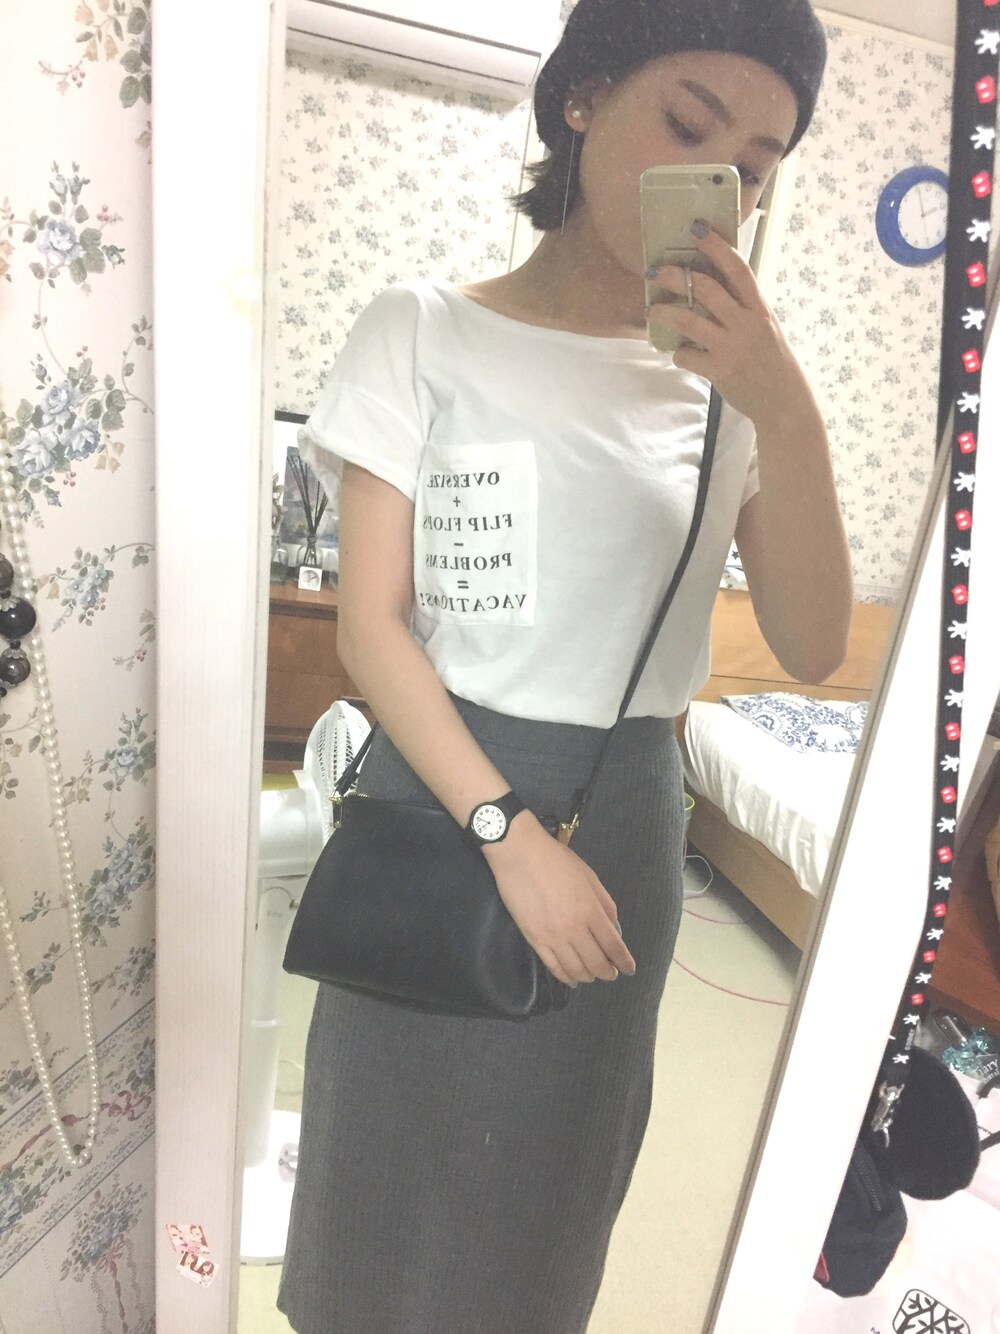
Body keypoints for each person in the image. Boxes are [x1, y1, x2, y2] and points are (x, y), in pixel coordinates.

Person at [277, 1, 852, 1330]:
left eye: (753, 166)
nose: (717, 184)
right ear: (582, 99)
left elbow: (819, 645)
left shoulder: (737, 394)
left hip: (622, 813)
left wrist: (787, 410)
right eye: (688, 124)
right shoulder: (421, 330)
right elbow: (373, 627)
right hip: (440, 794)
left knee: (543, 1190)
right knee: (381, 1171)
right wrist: (505, 831)